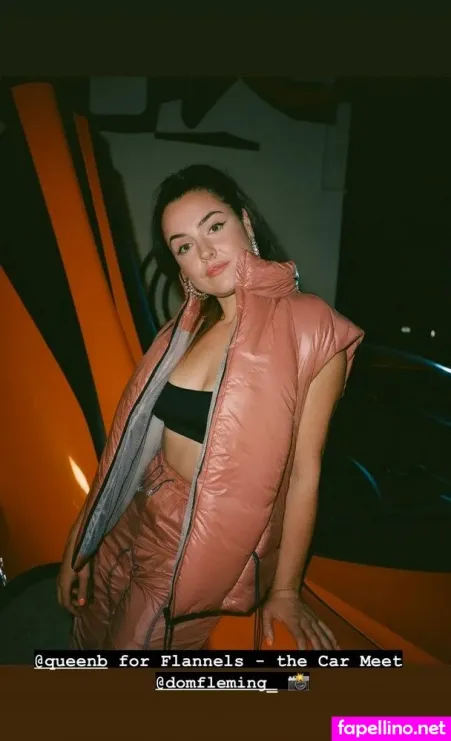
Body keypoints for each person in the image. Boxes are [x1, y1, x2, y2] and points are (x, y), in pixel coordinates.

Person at [57, 164, 364, 651]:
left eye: (214, 227)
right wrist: (83, 540)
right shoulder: (184, 328)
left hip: (192, 541)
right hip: (135, 509)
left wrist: (286, 590)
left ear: (246, 221)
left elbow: (305, 474)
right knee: (86, 640)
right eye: (183, 246)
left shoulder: (311, 325)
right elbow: (127, 444)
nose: (203, 253)